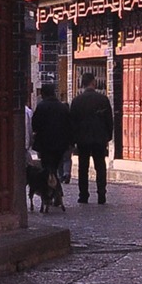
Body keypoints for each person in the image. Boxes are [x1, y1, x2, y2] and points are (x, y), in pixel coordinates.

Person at [69, 72, 113, 204]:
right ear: (93, 82)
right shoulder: (103, 99)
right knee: (100, 166)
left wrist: (73, 140)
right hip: (99, 138)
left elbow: (72, 122)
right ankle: (101, 194)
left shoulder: (77, 101)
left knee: (83, 167)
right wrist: (108, 137)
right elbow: (109, 120)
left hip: (82, 139)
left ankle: (83, 195)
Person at [29, 83, 72, 205]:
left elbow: (35, 125)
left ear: (43, 94)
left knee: (48, 170)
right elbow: (69, 126)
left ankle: (53, 193)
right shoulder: (63, 107)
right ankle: (56, 193)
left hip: (45, 145)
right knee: (54, 169)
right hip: (60, 145)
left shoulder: (42, 107)